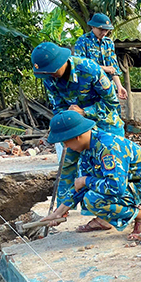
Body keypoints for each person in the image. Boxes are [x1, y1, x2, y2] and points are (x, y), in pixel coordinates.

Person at [39, 111, 141, 236]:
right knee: (89, 190)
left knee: (92, 199)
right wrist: (58, 212)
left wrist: (85, 181)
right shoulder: (87, 148)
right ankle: (106, 220)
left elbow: (116, 187)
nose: (66, 147)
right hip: (130, 183)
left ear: (76, 136)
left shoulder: (108, 148)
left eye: (66, 142)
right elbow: (79, 186)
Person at [32, 41, 124, 205]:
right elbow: (58, 106)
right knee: (68, 162)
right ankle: (63, 206)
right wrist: (64, 126)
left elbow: (112, 103)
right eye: (47, 73)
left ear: (62, 62)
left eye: (53, 71)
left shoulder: (89, 69)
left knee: (111, 167)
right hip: (75, 126)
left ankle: (116, 209)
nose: (51, 76)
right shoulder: (49, 78)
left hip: (104, 122)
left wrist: (85, 112)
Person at [73, 13, 128, 100]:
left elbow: (113, 68)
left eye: (106, 30)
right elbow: (80, 65)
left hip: (108, 88)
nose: (104, 33)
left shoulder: (109, 42)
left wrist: (119, 86)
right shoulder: (82, 41)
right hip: (89, 89)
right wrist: (104, 68)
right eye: (101, 29)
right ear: (93, 27)